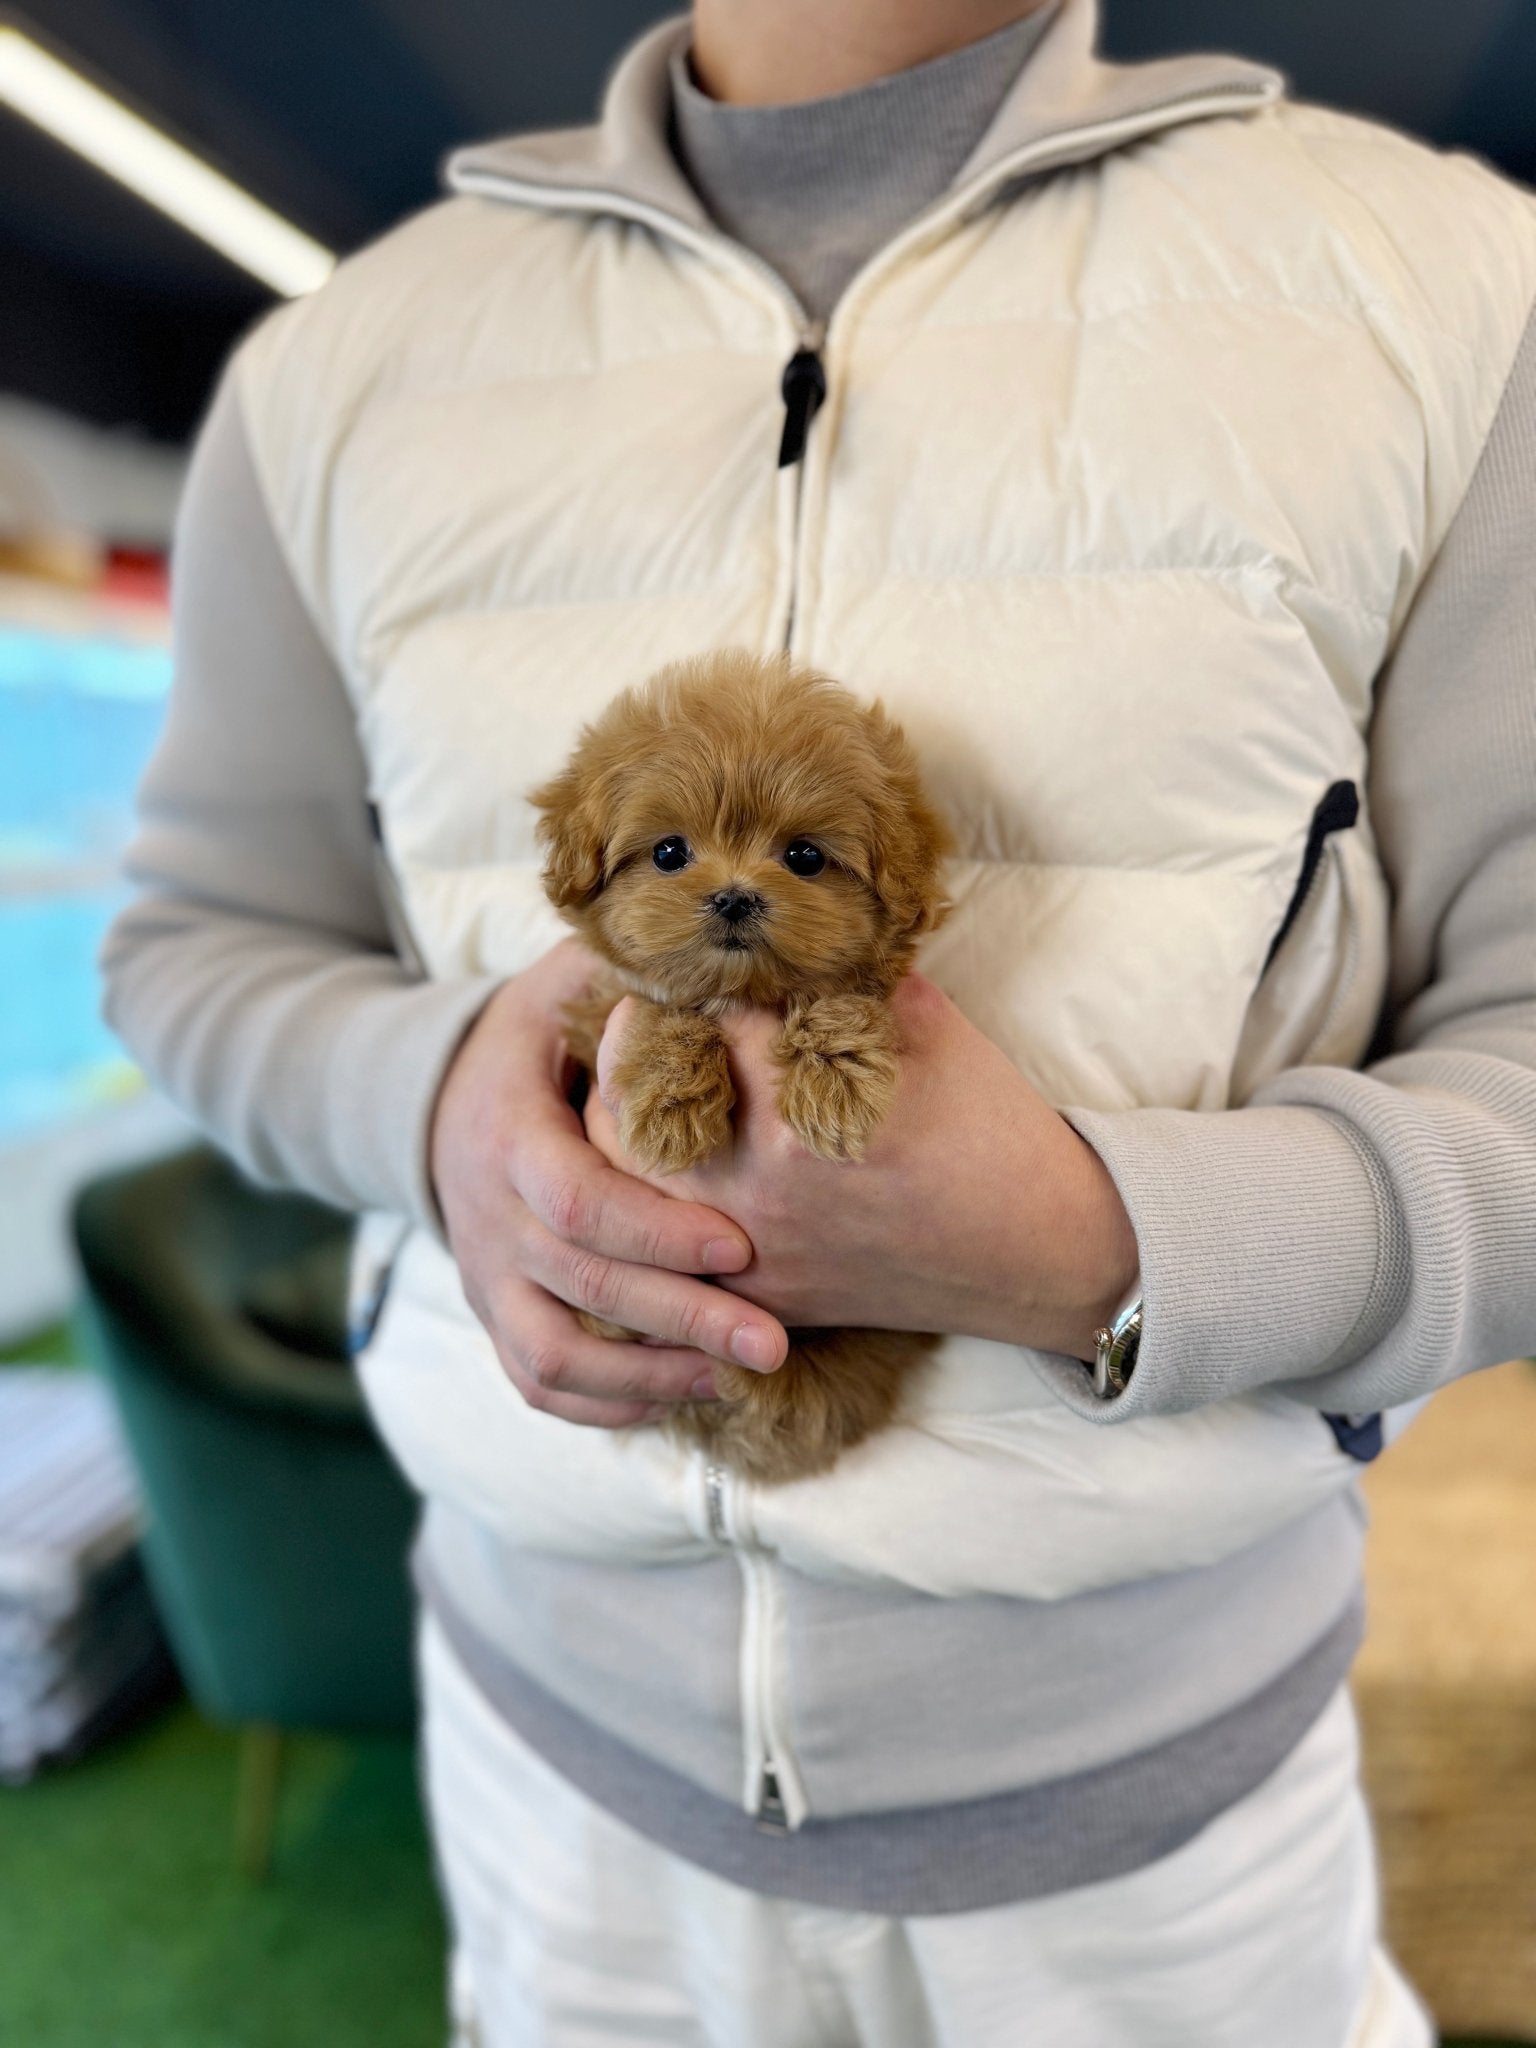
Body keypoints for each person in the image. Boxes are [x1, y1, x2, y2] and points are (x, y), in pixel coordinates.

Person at [103, 0, 1536, 2041]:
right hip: (550, 1766)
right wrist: (437, 1112)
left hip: (1155, 1831)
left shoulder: (1452, 287)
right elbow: (199, 943)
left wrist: (1103, 1244)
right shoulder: (338, 368)